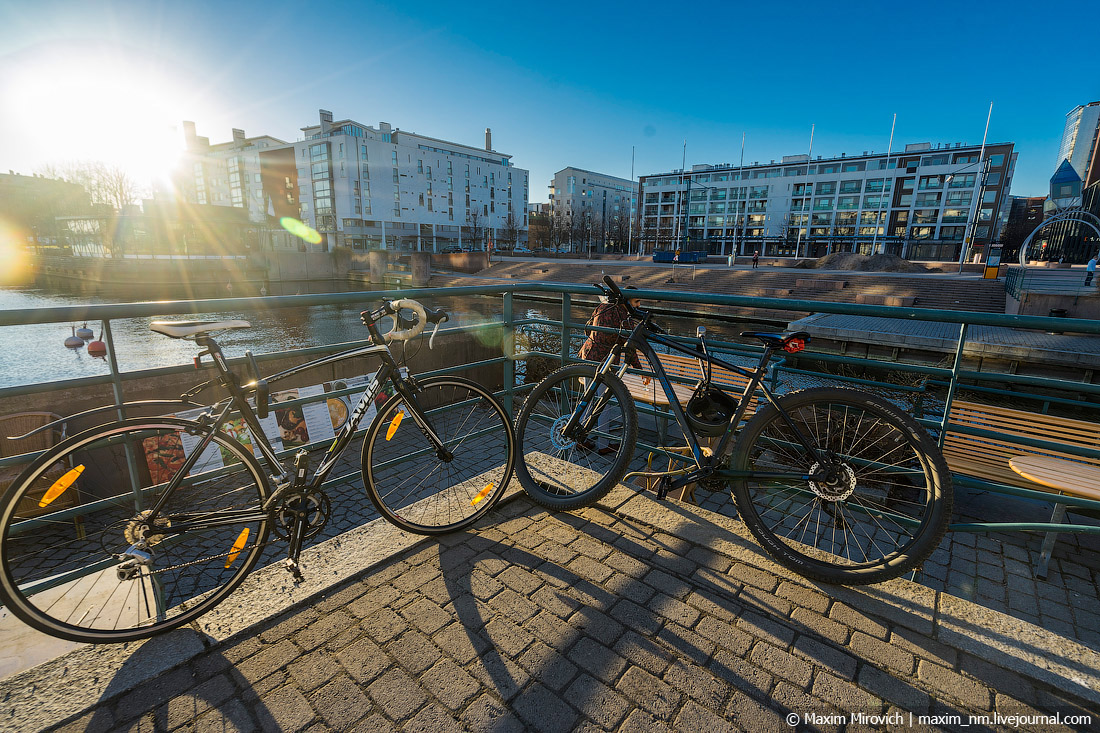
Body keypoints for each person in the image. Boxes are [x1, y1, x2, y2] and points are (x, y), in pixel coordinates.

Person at [578, 286, 647, 454]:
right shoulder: (623, 316)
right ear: (628, 301)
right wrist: (641, 370)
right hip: (604, 362)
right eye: (636, 301)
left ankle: (579, 439)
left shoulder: (603, 306)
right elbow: (629, 345)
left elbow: (588, 328)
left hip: (588, 355)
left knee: (588, 399)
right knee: (603, 403)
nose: (638, 305)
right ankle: (603, 444)